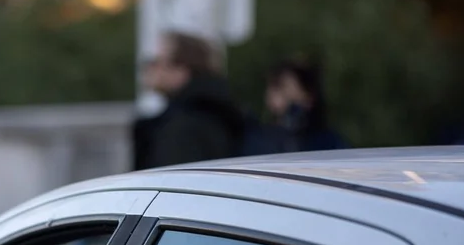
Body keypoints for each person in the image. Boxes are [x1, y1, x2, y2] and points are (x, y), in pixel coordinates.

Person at [131, 31, 246, 170]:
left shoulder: (185, 126)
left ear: (182, 70)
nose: (149, 68)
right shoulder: (213, 113)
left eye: (157, 62)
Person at [245, 58, 347, 155]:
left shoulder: (327, 142)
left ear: (308, 96)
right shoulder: (257, 140)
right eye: (273, 86)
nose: (273, 94)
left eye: (281, 86)